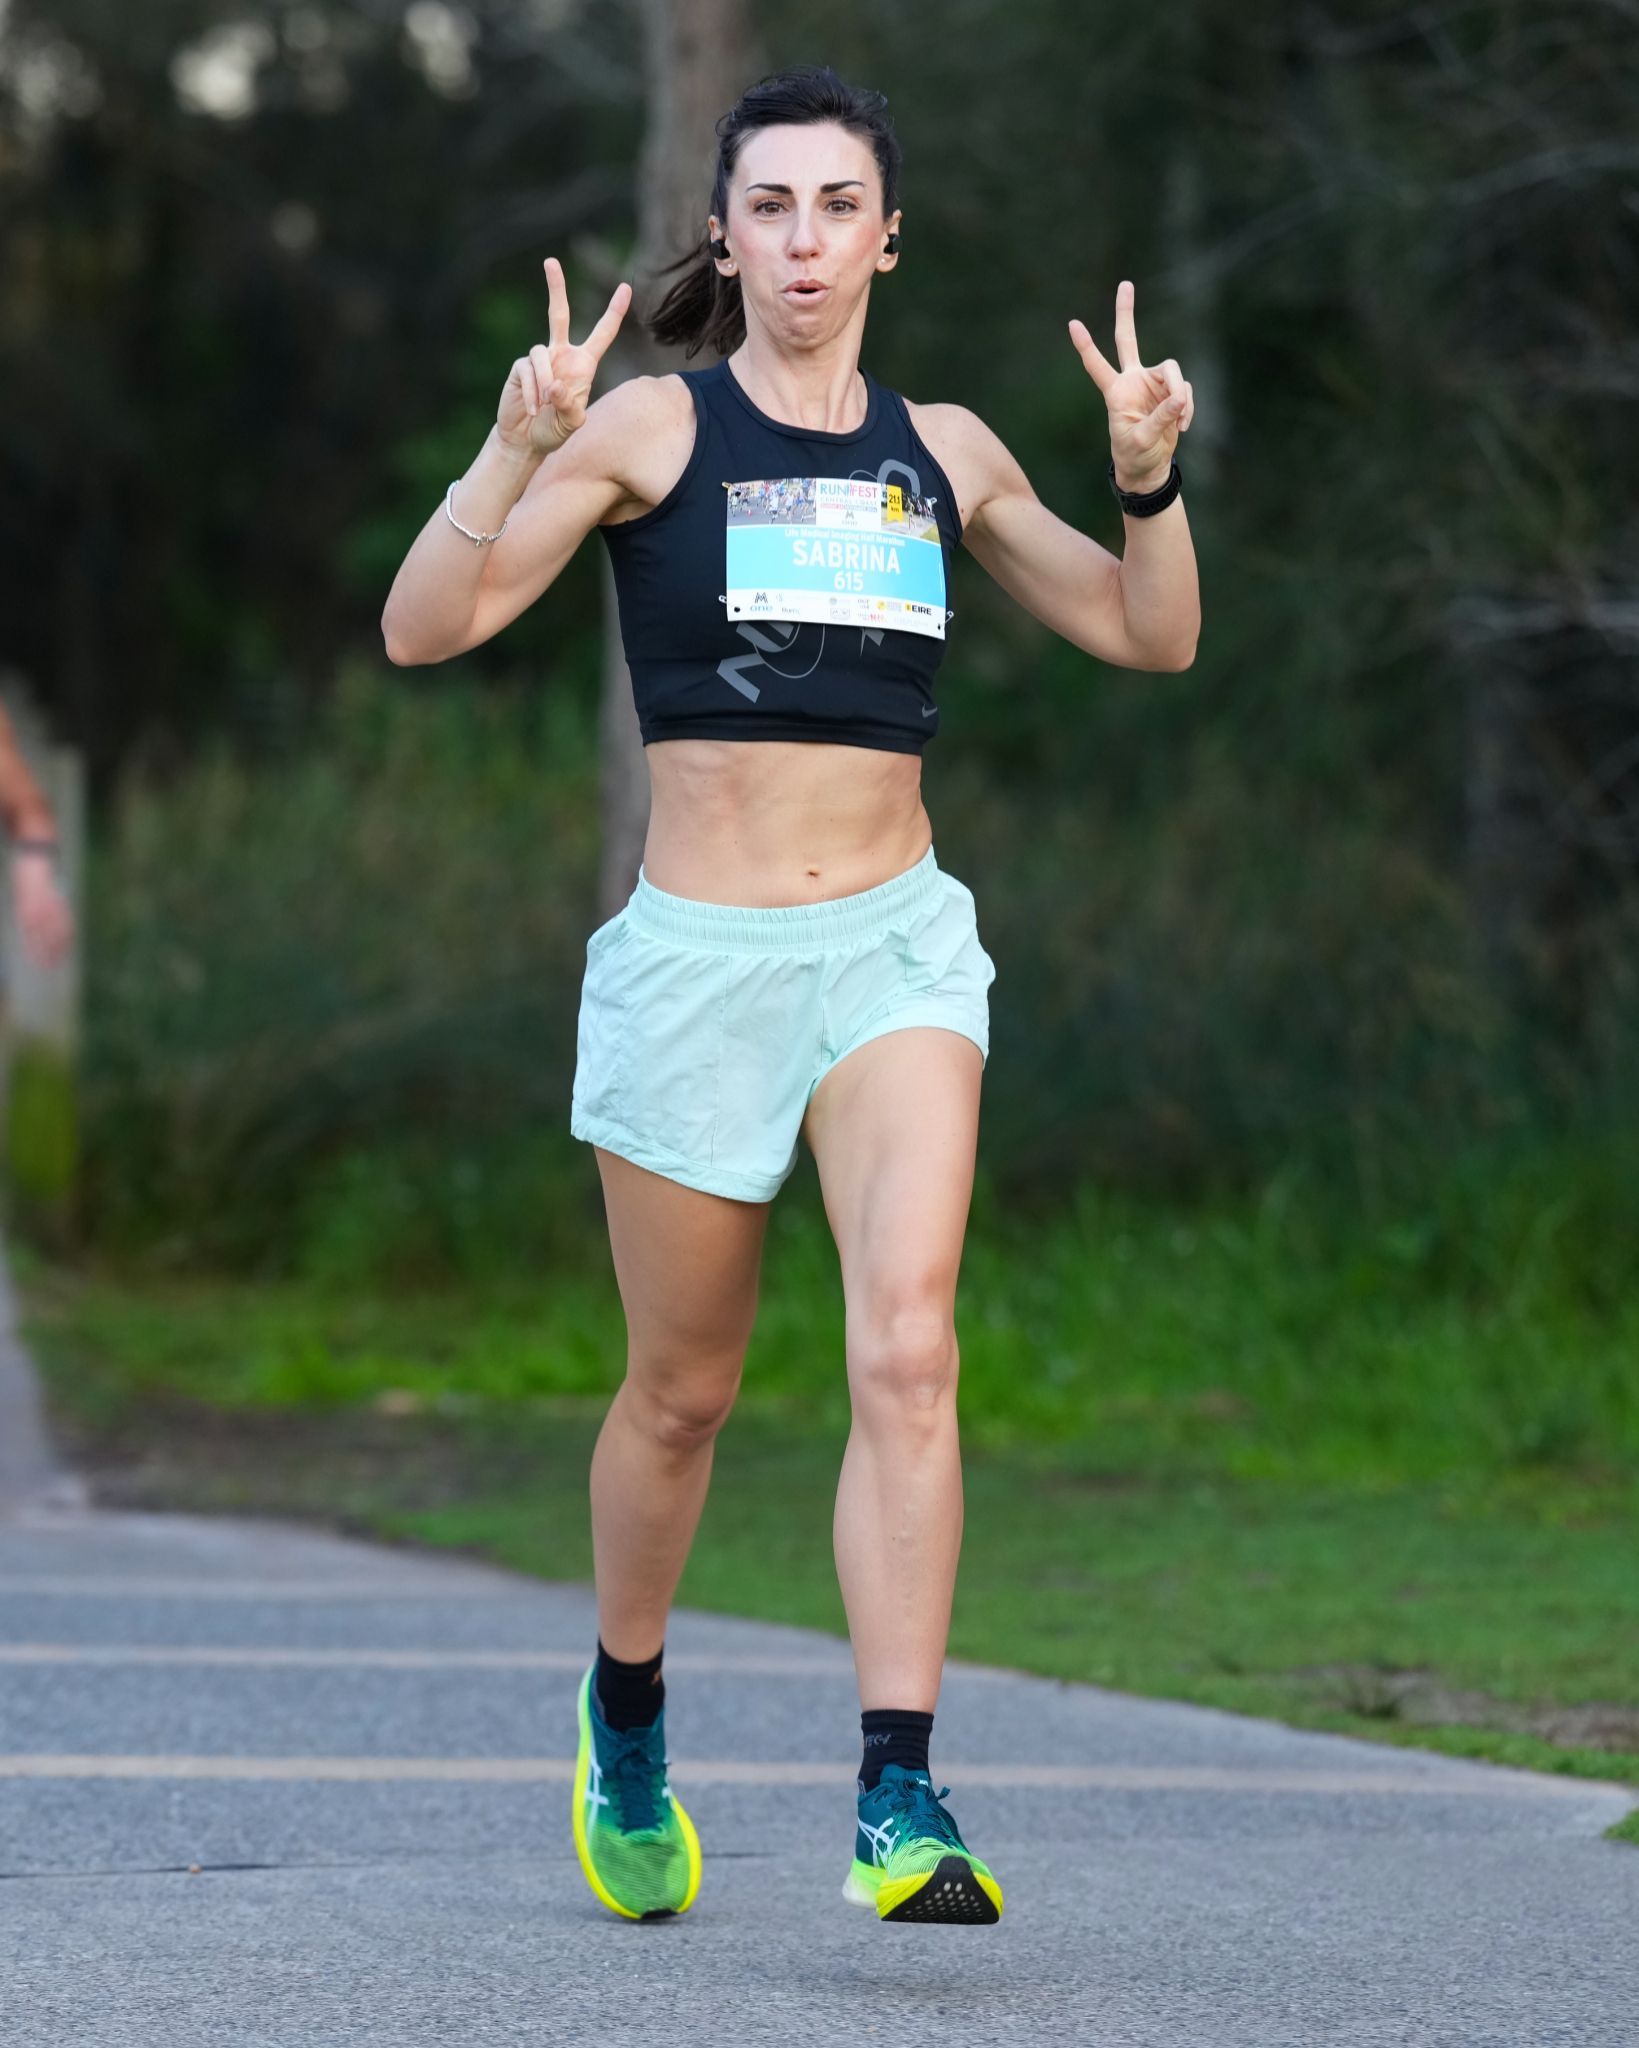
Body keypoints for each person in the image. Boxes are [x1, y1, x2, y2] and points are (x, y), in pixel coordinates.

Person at [381, 62, 1198, 1929]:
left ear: (886, 236)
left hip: (896, 951)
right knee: (684, 1395)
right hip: (698, 968)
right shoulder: (654, 435)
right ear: (726, 232)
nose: (805, 241)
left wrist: (1149, 478)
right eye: (770, 207)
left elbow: (1154, 634)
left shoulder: (957, 448)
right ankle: (628, 1706)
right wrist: (516, 447)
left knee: (908, 1349)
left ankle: (900, 1794)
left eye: (839, 207)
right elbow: (425, 628)